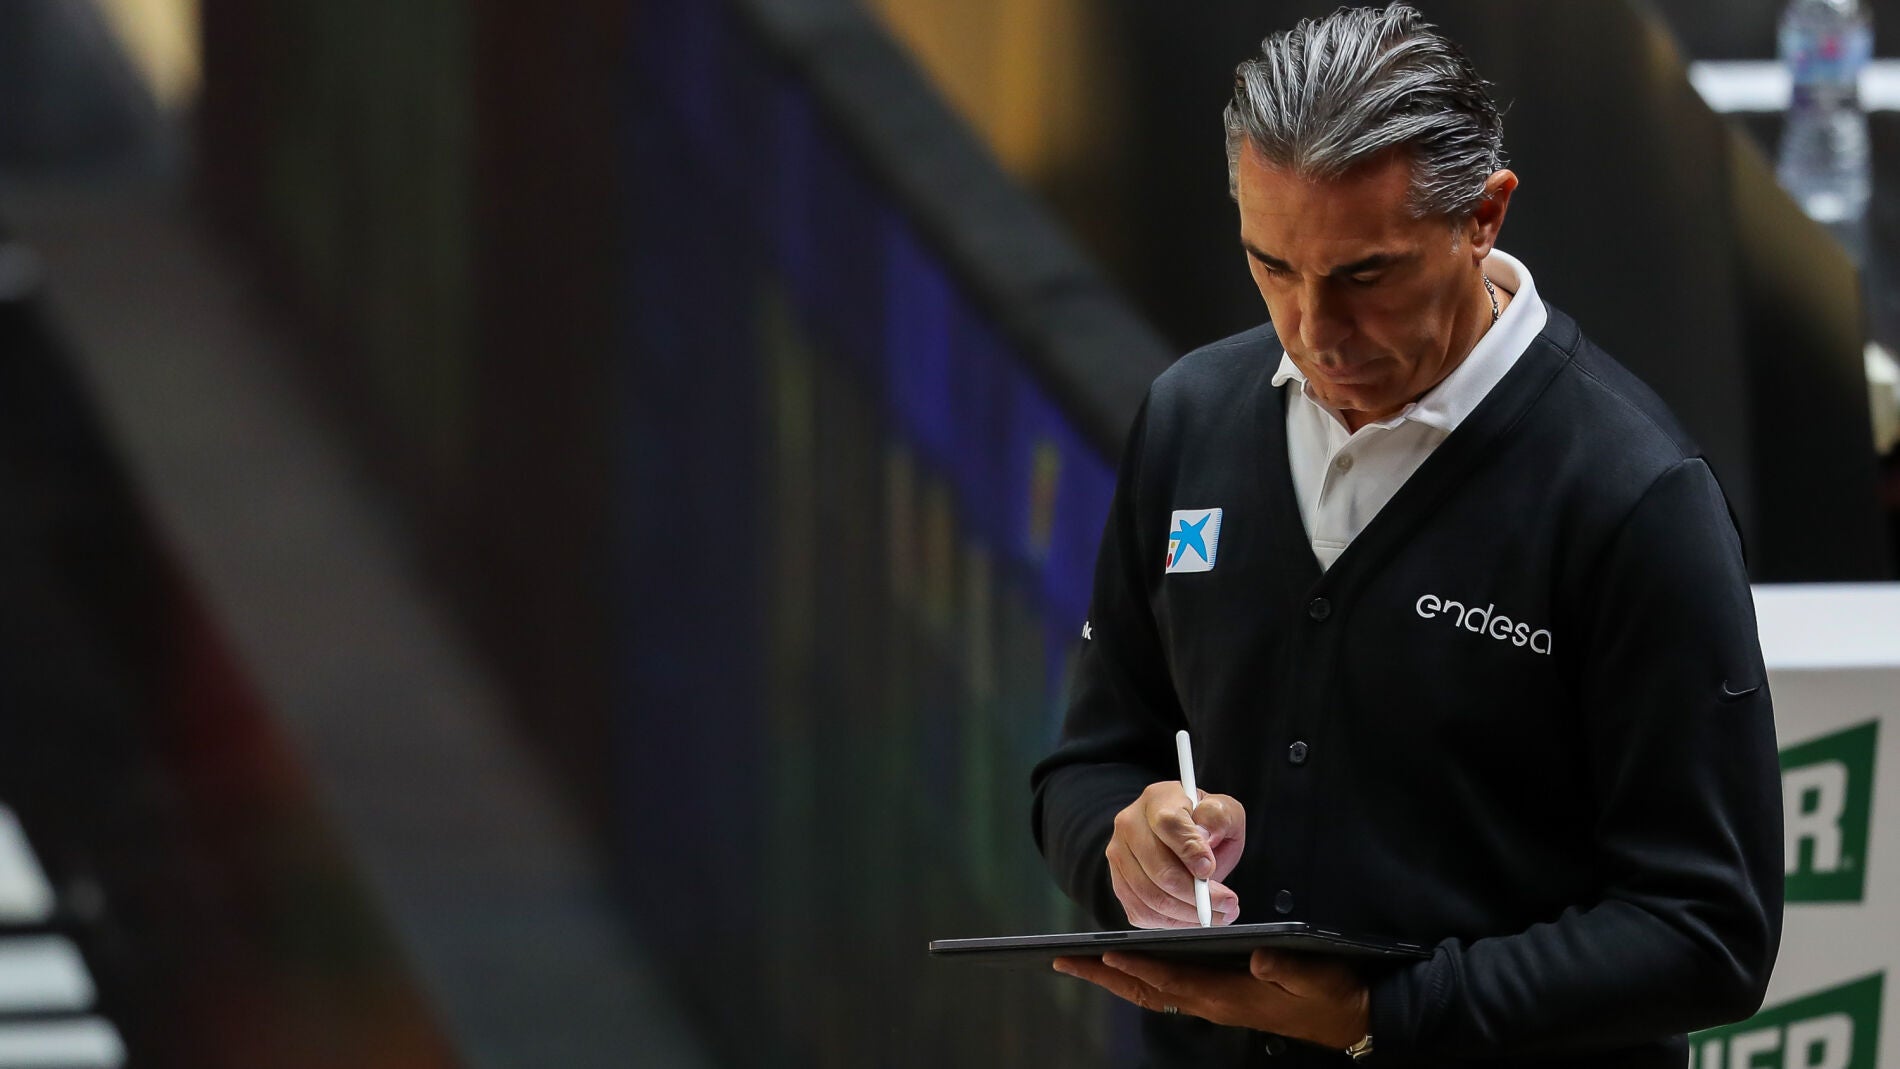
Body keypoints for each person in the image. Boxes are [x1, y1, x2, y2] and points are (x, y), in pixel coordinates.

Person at [1029, 5, 1784, 1066]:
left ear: (1484, 215)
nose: (1314, 329)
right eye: (1272, 266)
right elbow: (1090, 762)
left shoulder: (1634, 494)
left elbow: (1708, 930)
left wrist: (1382, 1016)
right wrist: (1127, 847)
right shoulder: (1190, 417)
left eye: (1364, 275)